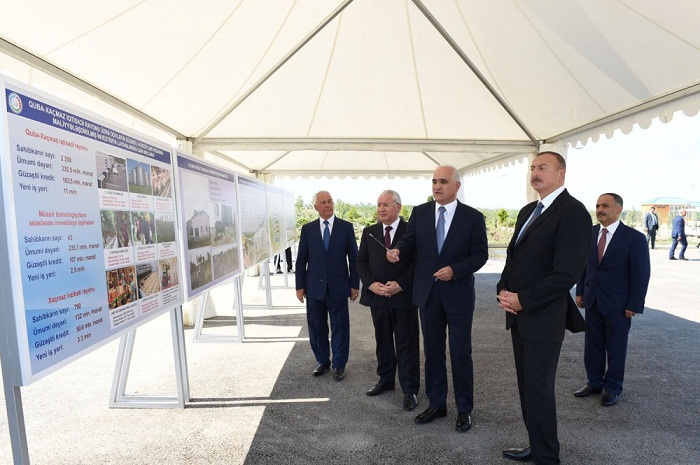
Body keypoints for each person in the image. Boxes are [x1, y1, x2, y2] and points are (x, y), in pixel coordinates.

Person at [497, 151, 591, 464]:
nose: (535, 173)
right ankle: (537, 446)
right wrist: (503, 290)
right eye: (533, 168)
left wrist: (524, 299)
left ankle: (547, 456)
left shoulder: (573, 213)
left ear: (561, 174)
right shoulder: (528, 211)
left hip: (543, 318)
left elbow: (566, 273)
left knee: (538, 388)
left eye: (543, 167)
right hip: (519, 317)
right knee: (527, 387)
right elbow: (514, 258)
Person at [387, 165, 488, 432]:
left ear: (457, 186)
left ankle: (465, 409)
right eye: (434, 181)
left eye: (443, 181)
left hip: (458, 295)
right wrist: (397, 250)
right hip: (428, 293)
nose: (437, 186)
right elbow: (408, 242)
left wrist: (455, 270)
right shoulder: (420, 213)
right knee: (432, 351)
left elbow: (480, 255)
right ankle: (437, 403)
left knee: (460, 352)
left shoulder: (473, 217)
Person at [574, 193, 650, 407]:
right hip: (592, 300)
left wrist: (634, 304)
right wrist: (580, 291)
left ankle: (613, 387)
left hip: (619, 304)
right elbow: (584, 266)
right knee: (593, 345)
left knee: (616, 347)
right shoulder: (590, 234)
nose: (600, 209)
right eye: (598, 205)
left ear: (619, 209)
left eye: (605, 206)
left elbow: (641, 274)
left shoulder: (634, 238)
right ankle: (594, 382)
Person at [357, 190, 420, 411]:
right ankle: (385, 380)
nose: (381, 209)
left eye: (386, 204)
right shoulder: (369, 232)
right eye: (378, 205)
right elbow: (361, 263)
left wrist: (400, 284)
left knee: (406, 342)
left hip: (403, 297)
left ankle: (410, 389)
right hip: (378, 297)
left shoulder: (410, 231)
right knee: (382, 340)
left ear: (398, 207)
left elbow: (417, 263)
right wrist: (372, 284)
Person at [295, 191, 359, 381]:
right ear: (316, 207)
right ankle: (322, 360)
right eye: (322, 202)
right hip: (314, 287)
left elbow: (354, 259)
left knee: (340, 327)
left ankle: (339, 363)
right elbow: (301, 260)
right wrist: (299, 286)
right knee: (316, 327)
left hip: (339, 287)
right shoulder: (307, 229)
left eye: (329, 201)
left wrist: (354, 285)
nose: (327, 205)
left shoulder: (346, 228)